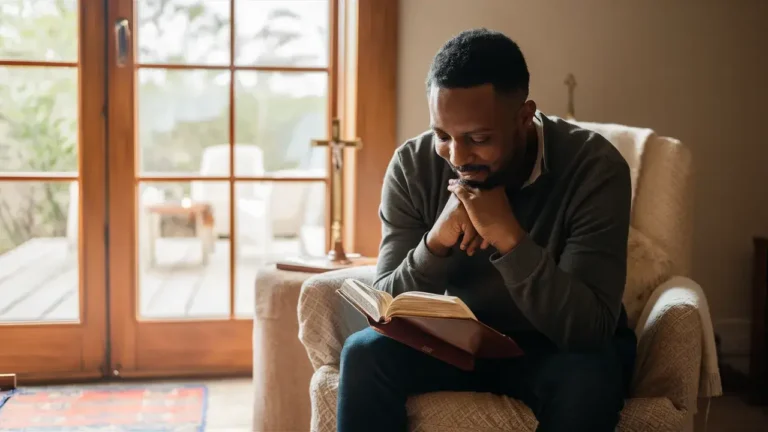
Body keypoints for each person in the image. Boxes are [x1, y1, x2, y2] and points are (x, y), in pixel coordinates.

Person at [337, 28, 637, 432]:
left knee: (589, 378)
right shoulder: (412, 165)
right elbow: (386, 306)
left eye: (478, 138)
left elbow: (589, 329)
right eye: (443, 136)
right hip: (459, 345)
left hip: (561, 350)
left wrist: (510, 239)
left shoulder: (594, 168)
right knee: (363, 354)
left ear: (524, 116)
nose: (457, 157)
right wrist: (437, 240)